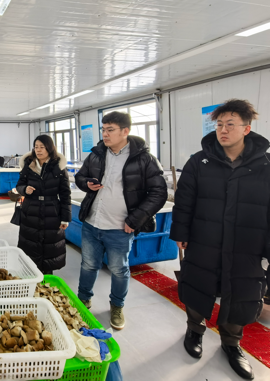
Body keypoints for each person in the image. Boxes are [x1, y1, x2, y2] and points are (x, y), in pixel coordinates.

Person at [170, 99, 270, 380]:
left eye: (230, 125)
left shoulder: (265, 166)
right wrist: (181, 233)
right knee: (197, 284)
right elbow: (184, 201)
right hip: (205, 239)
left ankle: (232, 343)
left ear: (246, 129)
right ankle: (194, 330)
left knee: (241, 293)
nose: (223, 130)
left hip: (247, 245)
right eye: (219, 125)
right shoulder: (199, 161)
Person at [75, 111, 167, 330]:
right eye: (103, 130)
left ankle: (117, 305)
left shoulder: (144, 159)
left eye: (110, 130)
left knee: (118, 270)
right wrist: (87, 184)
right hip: (92, 222)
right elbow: (80, 177)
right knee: (88, 265)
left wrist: (135, 219)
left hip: (120, 228)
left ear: (125, 131)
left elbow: (159, 193)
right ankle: (83, 299)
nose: (105, 134)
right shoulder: (97, 154)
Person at [15, 135, 70, 275]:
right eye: (36, 147)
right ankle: (29, 275)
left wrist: (65, 218)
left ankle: (46, 278)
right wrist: (24, 190)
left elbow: (65, 194)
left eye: (42, 147)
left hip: (51, 211)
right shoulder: (28, 165)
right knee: (30, 243)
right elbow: (19, 185)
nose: (38, 150)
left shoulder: (58, 168)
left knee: (49, 246)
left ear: (50, 148)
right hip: (30, 210)